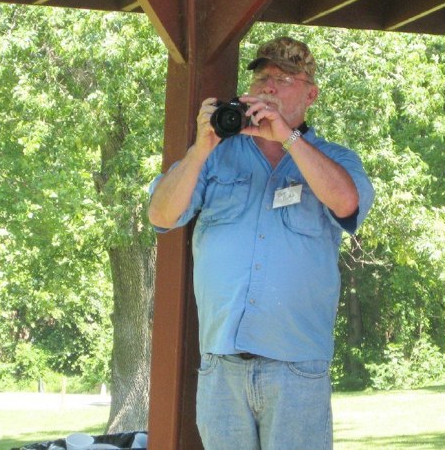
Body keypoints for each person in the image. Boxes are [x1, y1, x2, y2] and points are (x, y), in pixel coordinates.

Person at [148, 36, 374, 449]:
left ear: (310, 95)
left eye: (284, 79)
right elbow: (161, 215)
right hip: (221, 366)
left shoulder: (336, 159)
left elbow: (347, 203)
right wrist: (200, 149)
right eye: (261, 77)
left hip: (296, 367)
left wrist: (288, 138)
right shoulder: (216, 155)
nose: (269, 86)